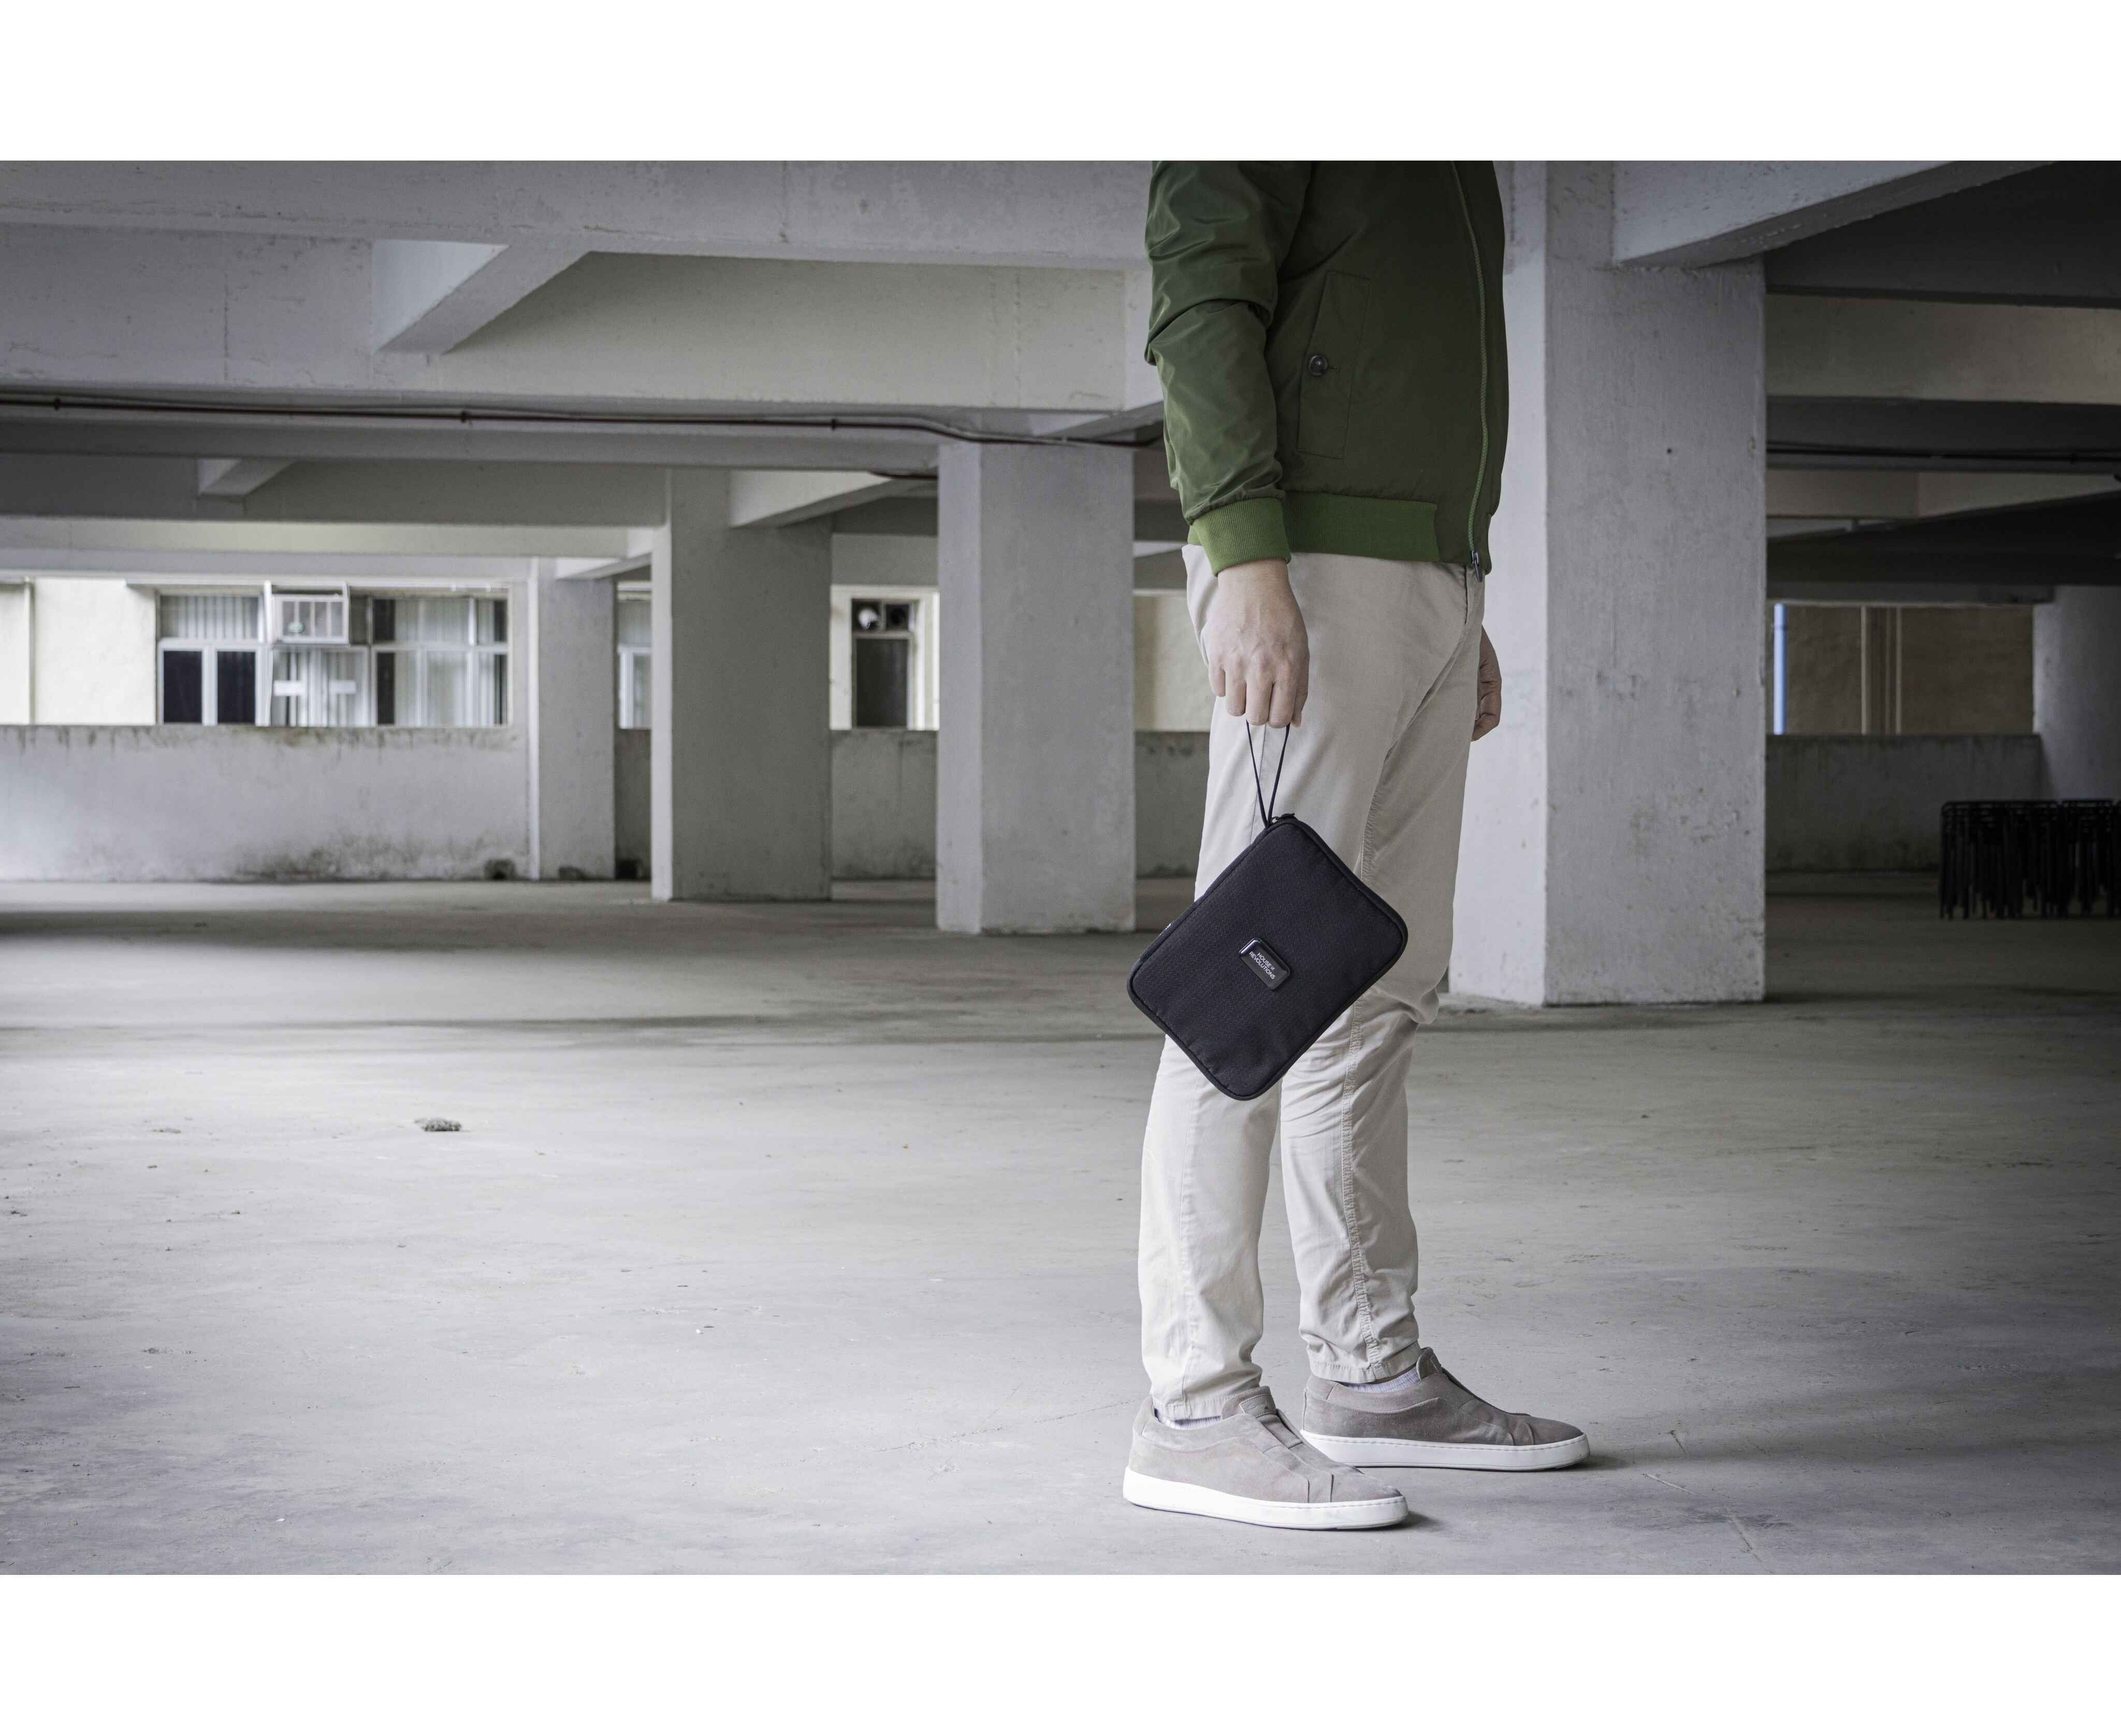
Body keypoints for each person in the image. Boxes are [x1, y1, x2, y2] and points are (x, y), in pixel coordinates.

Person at [1124, 162, 1588, 1531]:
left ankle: (1370, 1368)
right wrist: (1243, 550)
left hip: (1432, 574)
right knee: (1245, 993)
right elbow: (1201, 293)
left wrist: (1456, 593)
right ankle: (1195, 1403)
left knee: (1381, 991)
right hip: (1311, 561)